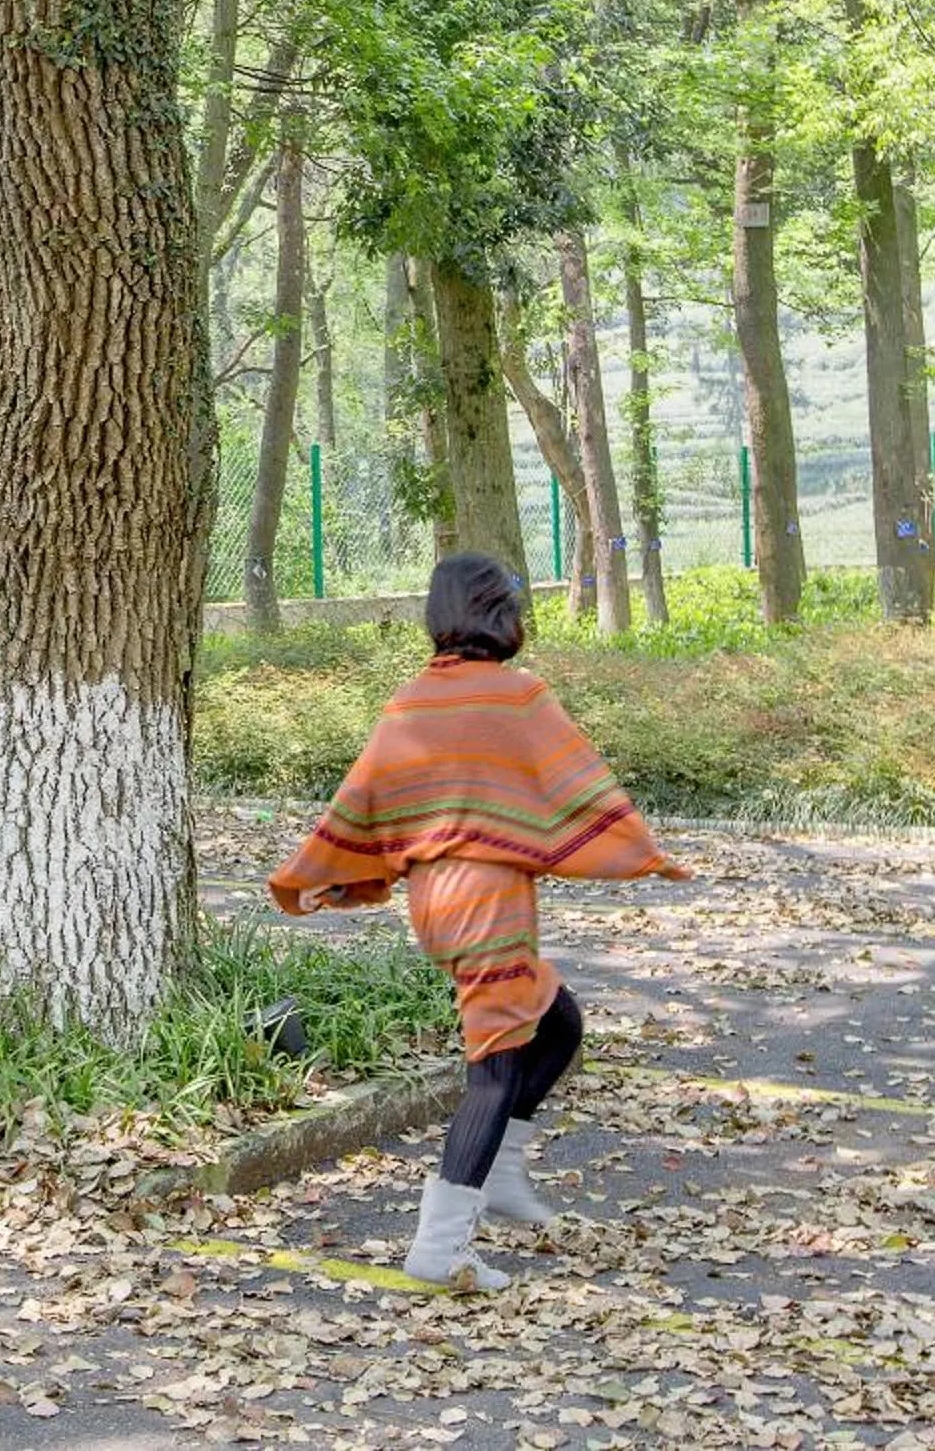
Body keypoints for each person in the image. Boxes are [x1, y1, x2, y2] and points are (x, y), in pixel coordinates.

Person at [267, 552, 688, 1290]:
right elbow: (583, 786)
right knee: (493, 1071)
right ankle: (440, 1246)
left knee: (557, 1024)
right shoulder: (518, 699)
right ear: (500, 612)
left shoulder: (410, 704)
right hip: (491, 903)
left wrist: (324, 876)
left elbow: (360, 801)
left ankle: (499, 1173)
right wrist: (644, 855)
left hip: (437, 904)